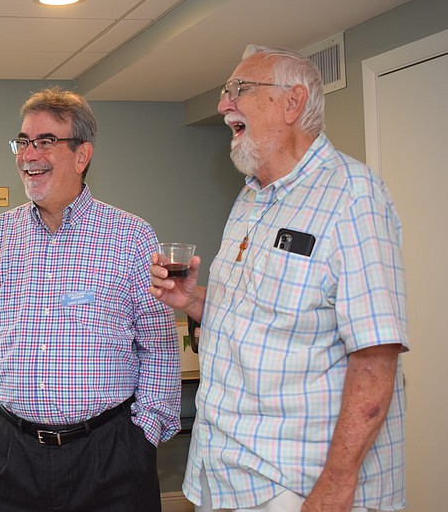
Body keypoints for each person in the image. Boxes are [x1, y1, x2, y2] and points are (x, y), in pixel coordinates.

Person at [149, 45, 408, 512]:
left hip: (300, 485)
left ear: (293, 103)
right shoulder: (251, 199)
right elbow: (263, 318)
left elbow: (375, 358)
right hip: (227, 473)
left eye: (239, 90)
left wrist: (334, 489)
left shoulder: (352, 198)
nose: (223, 104)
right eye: (226, 92)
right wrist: (195, 301)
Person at [0, 86, 181, 512]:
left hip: (108, 456)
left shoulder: (131, 237)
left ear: (81, 155)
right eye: (23, 142)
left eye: (46, 142)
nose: (28, 154)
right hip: (4, 455)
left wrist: (143, 433)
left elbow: (159, 344)